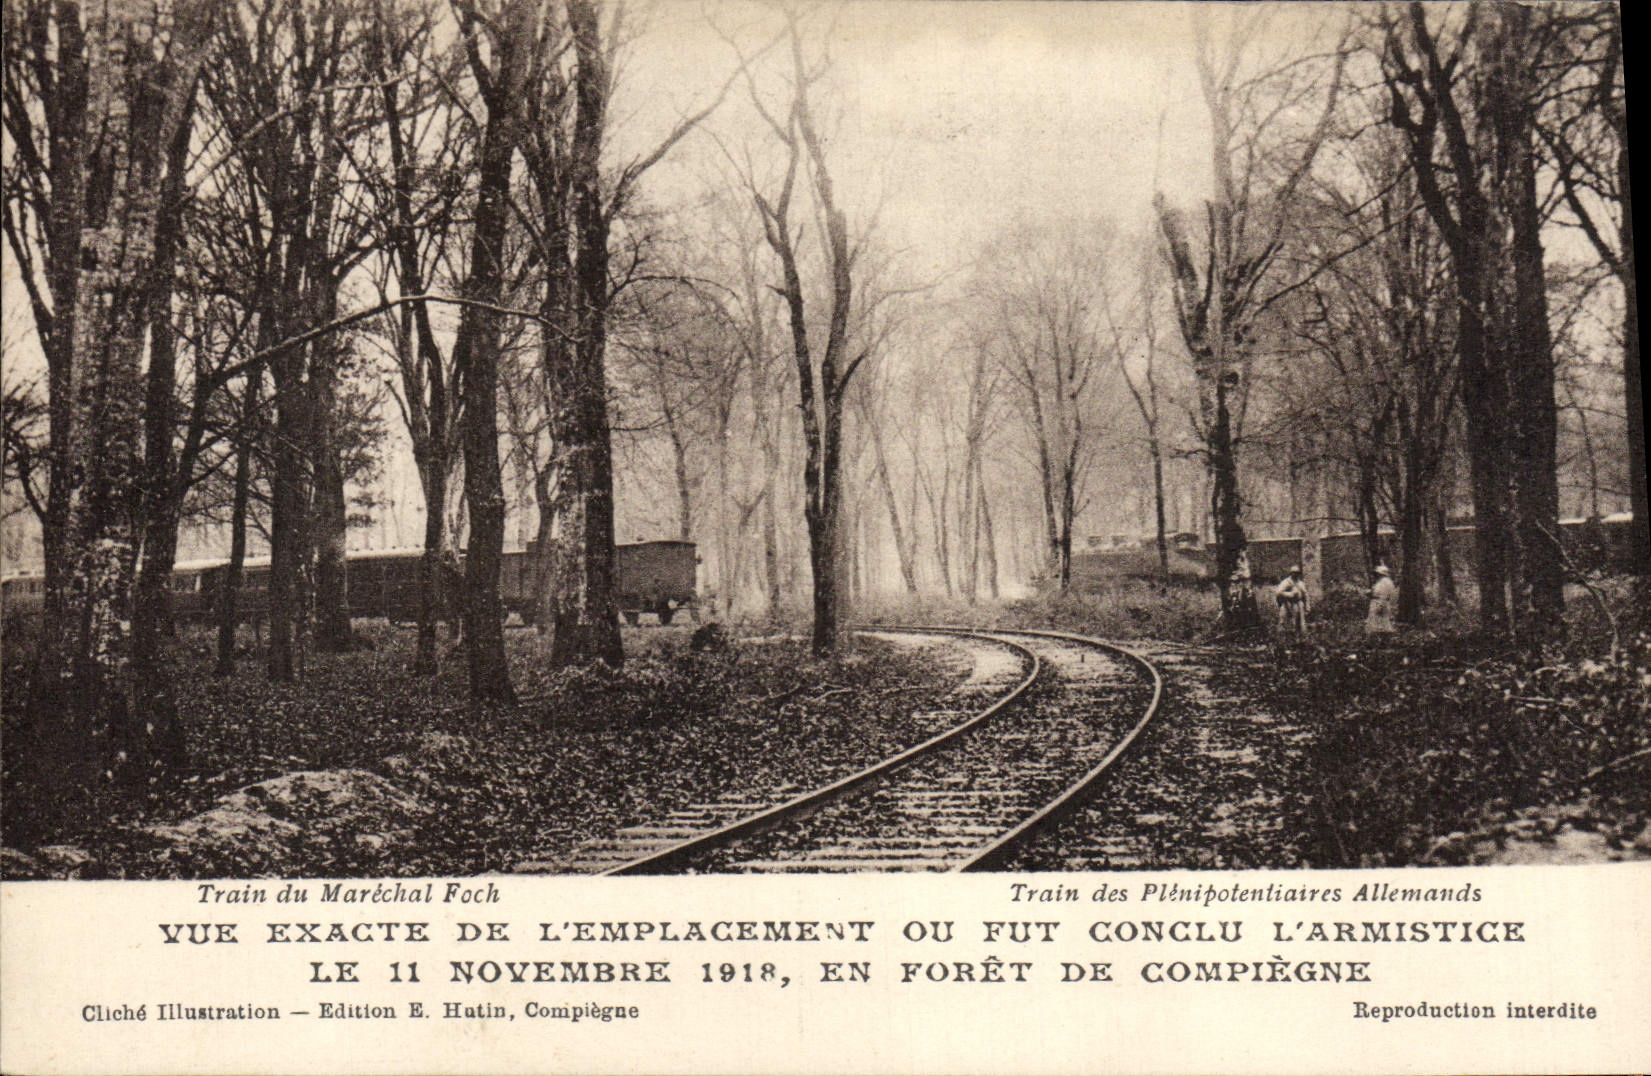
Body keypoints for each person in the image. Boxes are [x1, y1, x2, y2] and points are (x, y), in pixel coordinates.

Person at [1274, 564, 1309, 638]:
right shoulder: (1286, 582)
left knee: (1299, 621)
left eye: (1297, 573)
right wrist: (1290, 594)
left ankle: (1300, 636)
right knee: (1284, 619)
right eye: (1293, 572)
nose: (1295, 574)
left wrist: (1307, 606)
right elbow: (1278, 592)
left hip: (1298, 604)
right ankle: (1282, 636)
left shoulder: (1300, 583)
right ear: (1291, 573)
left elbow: (1305, 594)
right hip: (1288, 603)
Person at [1367, 564, 1398, 636]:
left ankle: (1375, 638)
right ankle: (1383, 638)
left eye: (1378, 573)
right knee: (1385, 622)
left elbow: (1381, 594)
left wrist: (1380, 604)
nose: (1377, 575)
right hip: (1384, 602)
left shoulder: (1383, 582)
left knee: (1374, 622)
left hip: (1378, 602)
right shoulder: (1388, 582)